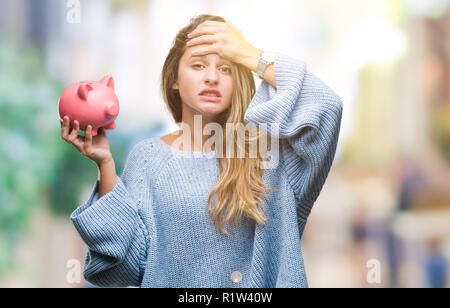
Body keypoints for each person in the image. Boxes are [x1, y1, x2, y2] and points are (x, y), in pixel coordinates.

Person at [61, 14, 343, 288]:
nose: (212, 78)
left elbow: (326, 107)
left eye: (225, 69)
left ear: (237, 82)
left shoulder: (269, 155)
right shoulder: (148, 158)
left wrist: (249, 55)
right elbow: (122, 270)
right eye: (198, 66)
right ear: (174, 78)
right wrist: (105, 163)